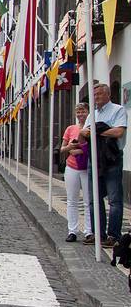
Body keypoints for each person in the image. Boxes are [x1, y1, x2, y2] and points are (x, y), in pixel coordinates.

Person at [80, 83, 127, 246]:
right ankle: (98, 233)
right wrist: (100, 131)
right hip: (95, 158)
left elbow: (119, 132)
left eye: (99, 94)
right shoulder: (92, 114)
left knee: (114, 199)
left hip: (112, 159)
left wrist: (97, 131)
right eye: (94, 95)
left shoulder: (118, 110)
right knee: (94, 198)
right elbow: (83, 133)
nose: (96, 97)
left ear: (108, 95)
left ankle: (114, 235)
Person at [60, 103, 92, 243]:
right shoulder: (70, 129)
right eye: (78, 112)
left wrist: (78, 150)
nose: (80, 114)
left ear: (88, 112)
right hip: (72, 167)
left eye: (83, 111)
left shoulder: (91, 128)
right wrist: (70, 147)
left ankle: (88, 231)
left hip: (87, 167)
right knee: (72, 200)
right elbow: (62, 149)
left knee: (88, 201)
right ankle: (72, 230)